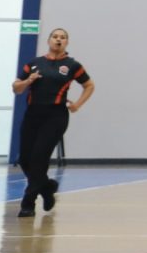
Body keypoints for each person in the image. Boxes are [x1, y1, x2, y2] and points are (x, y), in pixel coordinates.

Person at [10, 27, 92, 217]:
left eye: (63, 37)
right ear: (49, 40)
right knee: (25, 159)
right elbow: (16, 88)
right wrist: (28, 81)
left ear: (66, 42)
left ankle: (28, 202)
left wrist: (77, 104)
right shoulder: (34, 63)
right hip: (33, 114)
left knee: (39, 157)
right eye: (55, 36)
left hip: (56, 116)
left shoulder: (72, 65)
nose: (58, 39)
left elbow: (89, 85)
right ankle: (47, 188)